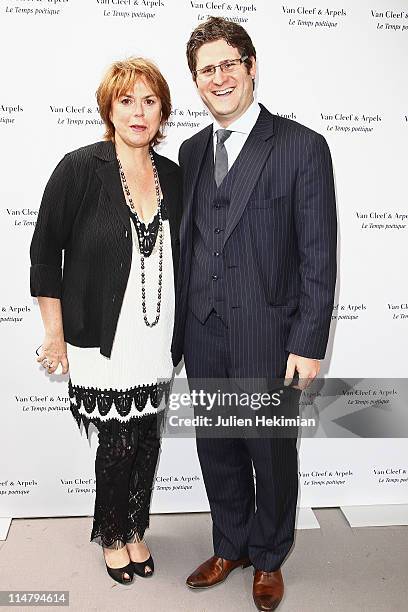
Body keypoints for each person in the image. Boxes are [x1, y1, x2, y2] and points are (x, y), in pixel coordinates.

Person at [171, 17, 337, 611]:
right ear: (196, 82)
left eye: (228, 64)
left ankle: (269, 557)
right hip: (203, 331)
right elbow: (187, 246)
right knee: (216, 448)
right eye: (206, 70)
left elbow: (318, 254)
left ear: (250, 66)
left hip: (270, 335)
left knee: (270, 451)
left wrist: (309, 341)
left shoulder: (300, 146)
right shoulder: (190, 152)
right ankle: (230, 544)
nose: (219, 78)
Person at [30, 57, 182, 585]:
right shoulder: (79, 168)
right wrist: (55, 334)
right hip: (98, 337)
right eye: (127, 100)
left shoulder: (176, 177)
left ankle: (136, 528)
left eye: (149, 101)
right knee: (116, 445)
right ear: (109, 108)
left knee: (146, 441)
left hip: (157, 334)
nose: (138, 112)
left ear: (162, 111)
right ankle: (112, 535)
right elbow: (46, 253)